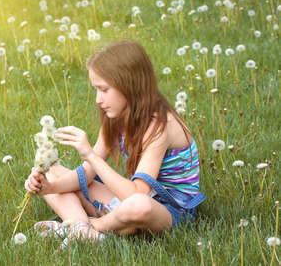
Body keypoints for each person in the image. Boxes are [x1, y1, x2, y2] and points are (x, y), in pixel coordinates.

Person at [24, 40, 205, 244]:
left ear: (129, 85)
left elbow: (138, 194)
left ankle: (84, 227)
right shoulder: (116, 117)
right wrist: (49, 187)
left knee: (138, 206)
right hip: (128, 203)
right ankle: (89, 231)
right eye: (96, 90)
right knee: (53, 172)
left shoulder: (160, 125)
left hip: (167, 211)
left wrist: (90, 155)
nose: (98, 100)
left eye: (104, 89)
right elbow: (88, 174)